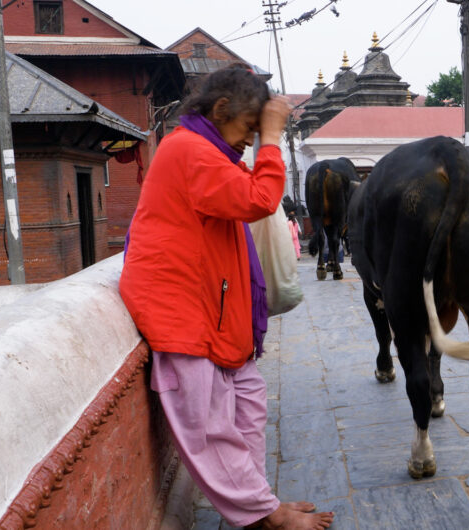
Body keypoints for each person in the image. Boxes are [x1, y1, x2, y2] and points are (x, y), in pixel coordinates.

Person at [120, 67, 333, 530]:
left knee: (249, 406)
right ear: (220, 112)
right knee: (211, 426)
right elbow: (259, 198)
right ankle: (262, 514)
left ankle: (256, 503)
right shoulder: (189, 151)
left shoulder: (209, 152)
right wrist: (273, 139)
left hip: (216, 311)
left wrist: (262, 135)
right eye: (249, 128)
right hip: (183, 314)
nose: (251, 140)